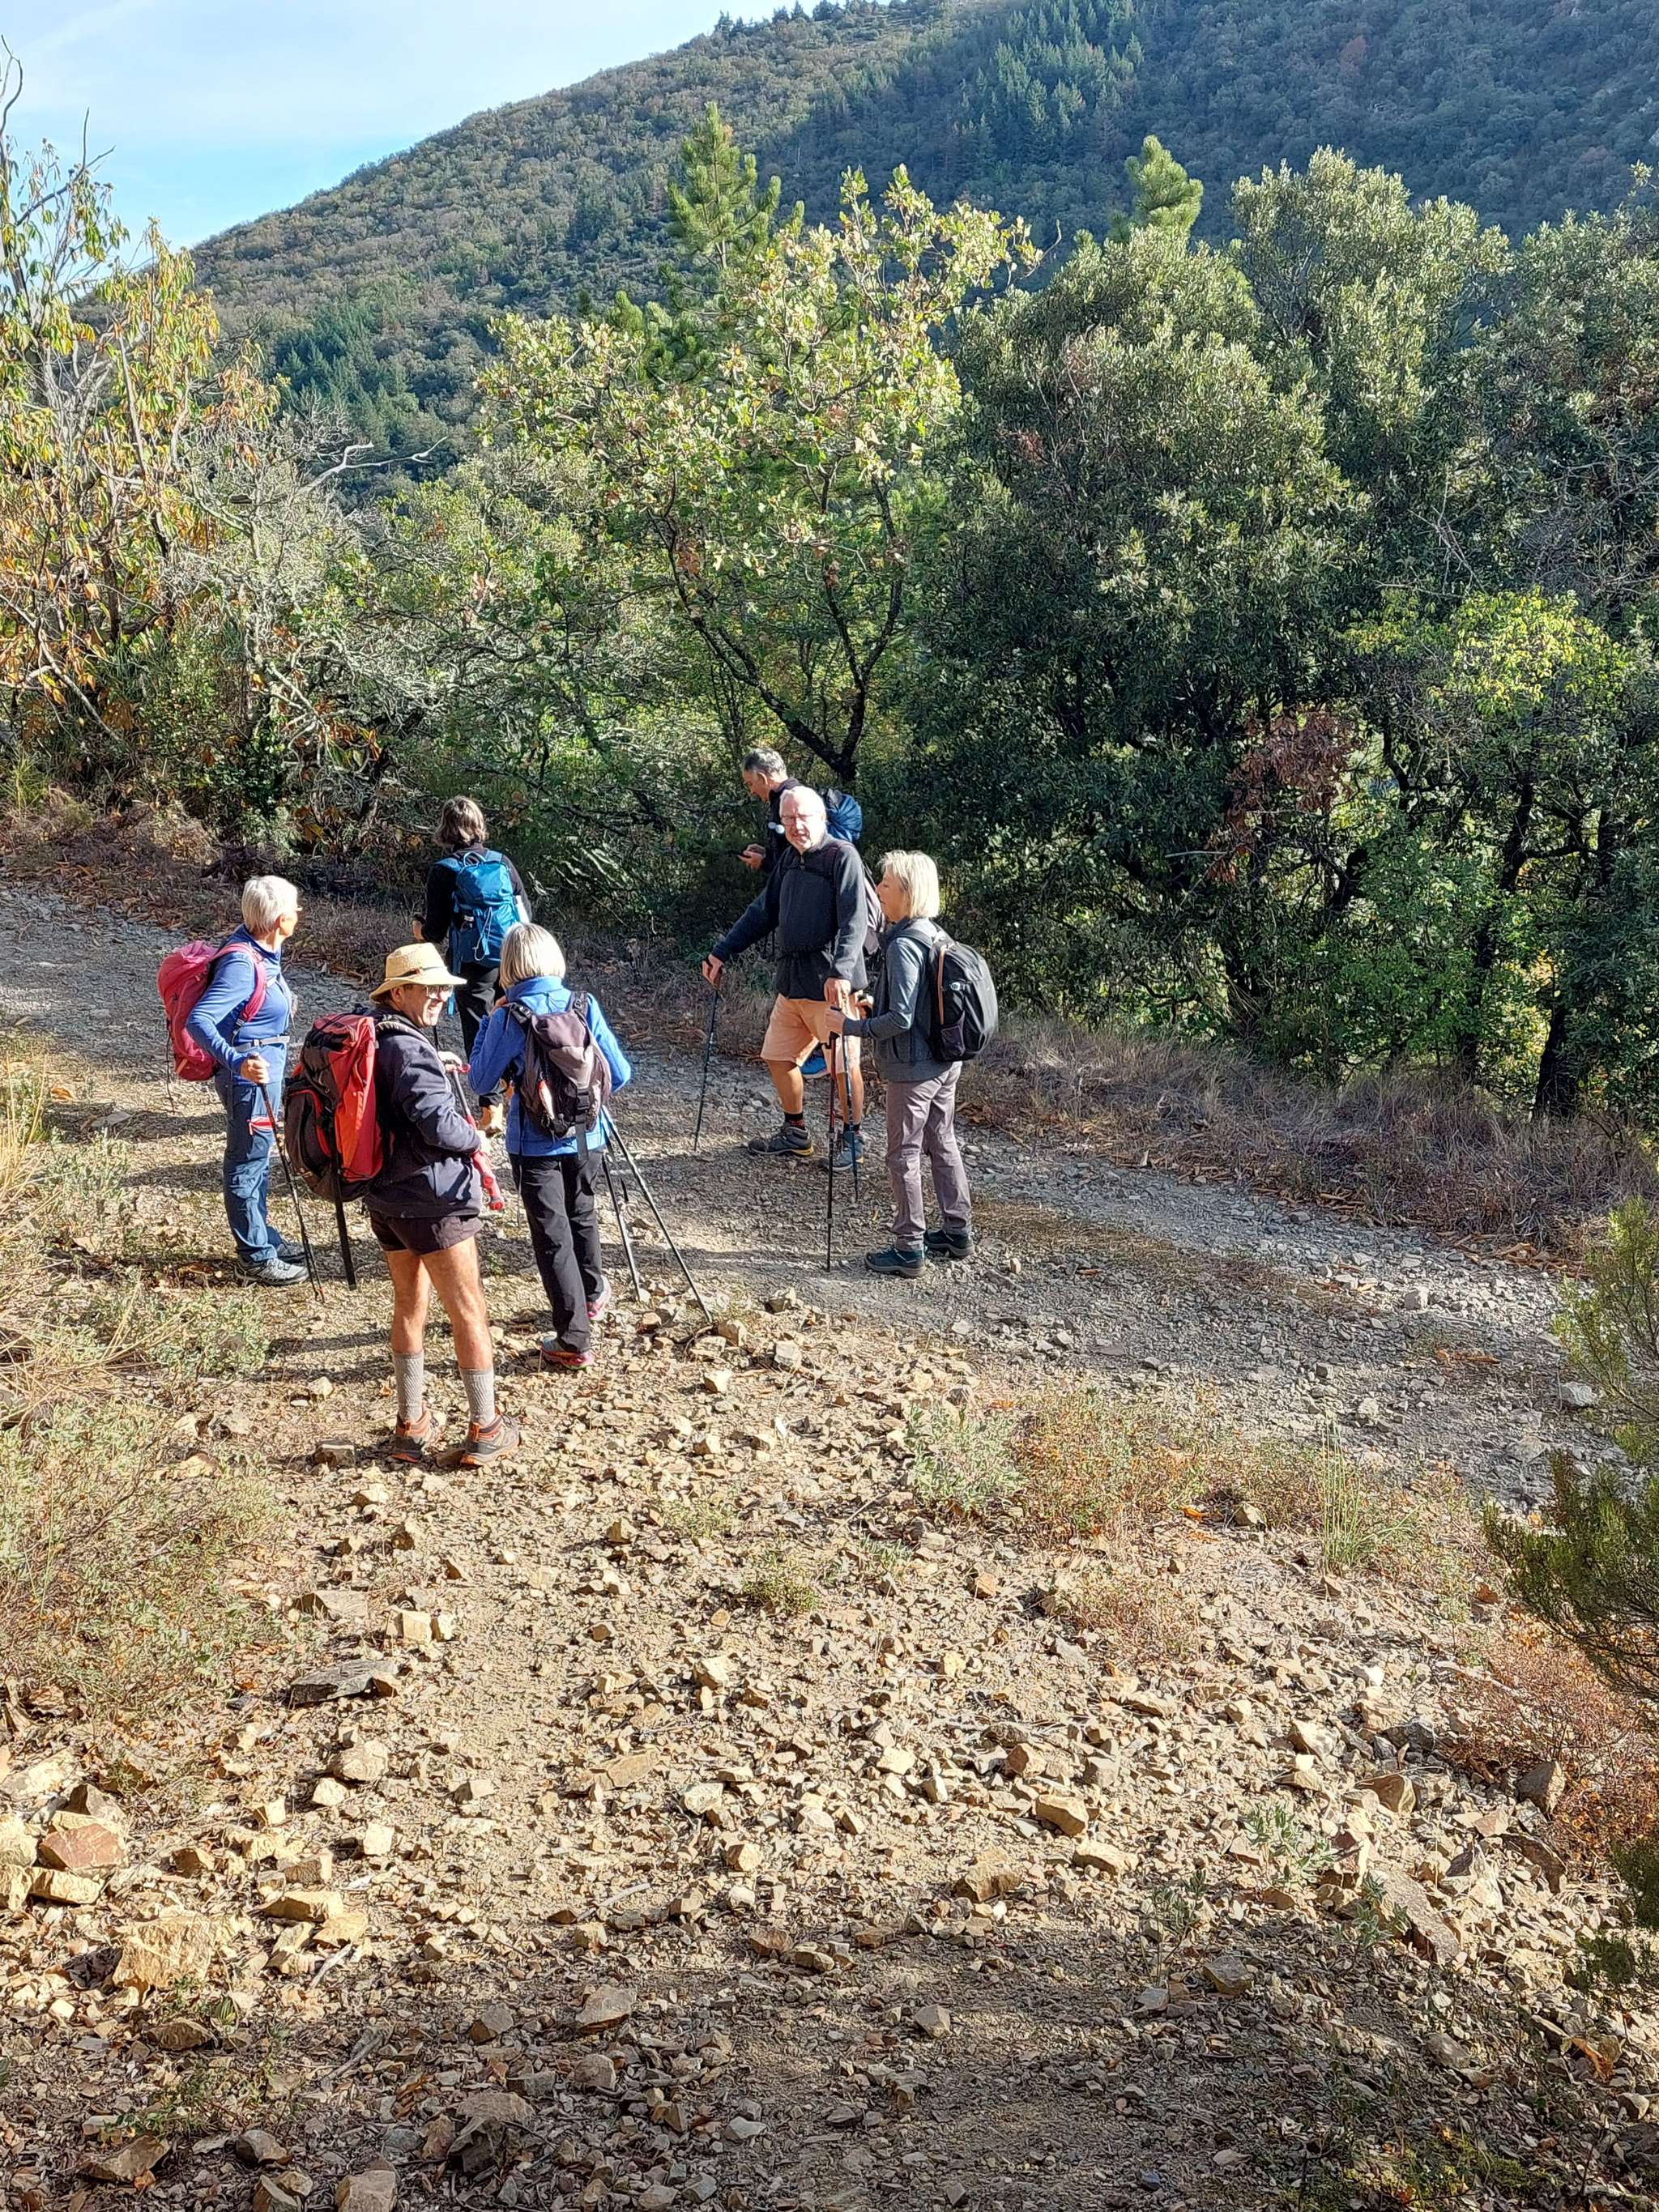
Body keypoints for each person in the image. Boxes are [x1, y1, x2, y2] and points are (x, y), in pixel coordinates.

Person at [366, 942, 518, 1467]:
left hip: (386, 1198)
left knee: (409, 1305)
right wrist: (478, 1136)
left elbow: (398, 1096)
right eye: (426, 987)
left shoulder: (376, 1035)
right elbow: (438, 1125)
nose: (437, 996)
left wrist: (435, 1062)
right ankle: (487, 1425)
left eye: (441, 988)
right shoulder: (409, 1051)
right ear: (397, 993)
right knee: (468, 1308)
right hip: (432, 1200)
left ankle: (411, 1424)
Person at [468, 923, 633, 1370]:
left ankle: (573, 1340)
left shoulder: (509, 1016)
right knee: (583, 1213)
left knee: (552, 1235)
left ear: (509, 966)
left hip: (534, 1144)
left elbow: (480, 1080)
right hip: (588, 1135)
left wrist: (488, 1024)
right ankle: (592, 1296)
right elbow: (620, 1075)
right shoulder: (583, 1004)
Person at [702, 785, 867, 1171]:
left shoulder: (842, 857)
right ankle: (796, 1132)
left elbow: (854, 921)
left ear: (821, 818)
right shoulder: (791, 859)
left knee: (843, 1066)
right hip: (792, 982)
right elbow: (763, 911)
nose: (795, 825)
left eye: (803, 817)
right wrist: (722, 951)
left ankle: (852, 1138)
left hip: (830, 986)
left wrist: (841, 971)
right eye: (788, 819)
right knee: (778, 1057)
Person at [829, 850, 974, 1278]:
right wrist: (878, 1004)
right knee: (941, 1140)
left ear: (906, 892)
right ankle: (957, 1231)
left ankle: (909, 1247)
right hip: (945, 1060)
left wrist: (851, 1026)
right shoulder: (934, 934)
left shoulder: (903, 945)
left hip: (914, 1069)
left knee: (903, 1154)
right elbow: (921, 1002)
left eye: (886, 884)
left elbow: (902, 1020)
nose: (878, 890)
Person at [186, 875, 306, 1288]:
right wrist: (239, 1063)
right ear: (278, 919)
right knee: (246, 1162)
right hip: (249, 1081)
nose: (299, 913)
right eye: (293, 908)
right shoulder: (242, 964)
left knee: (258, 1157)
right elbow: (199, 1020)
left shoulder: (263, 948)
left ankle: (262, 1236)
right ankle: (254, 1256)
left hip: (262, 1075)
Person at [416, 796, 529, 1127]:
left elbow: (435, 931)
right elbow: (526, 913)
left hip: (472, 962)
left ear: (445, 829)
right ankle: (517, 1090)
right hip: (512, 958)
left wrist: (418, 928)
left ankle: (491, 1108)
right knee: (514, 1021)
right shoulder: (502, 862)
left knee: (479, 1028)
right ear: (479, 825)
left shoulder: (444, 870)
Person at [738, 748, 801, 876]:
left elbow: (800, 859)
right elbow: (787, 850)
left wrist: (764, 863)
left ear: (762, 778)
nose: (752, 791)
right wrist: (766, 853)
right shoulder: (783, 799)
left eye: (750, 784)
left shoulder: (791, 802)